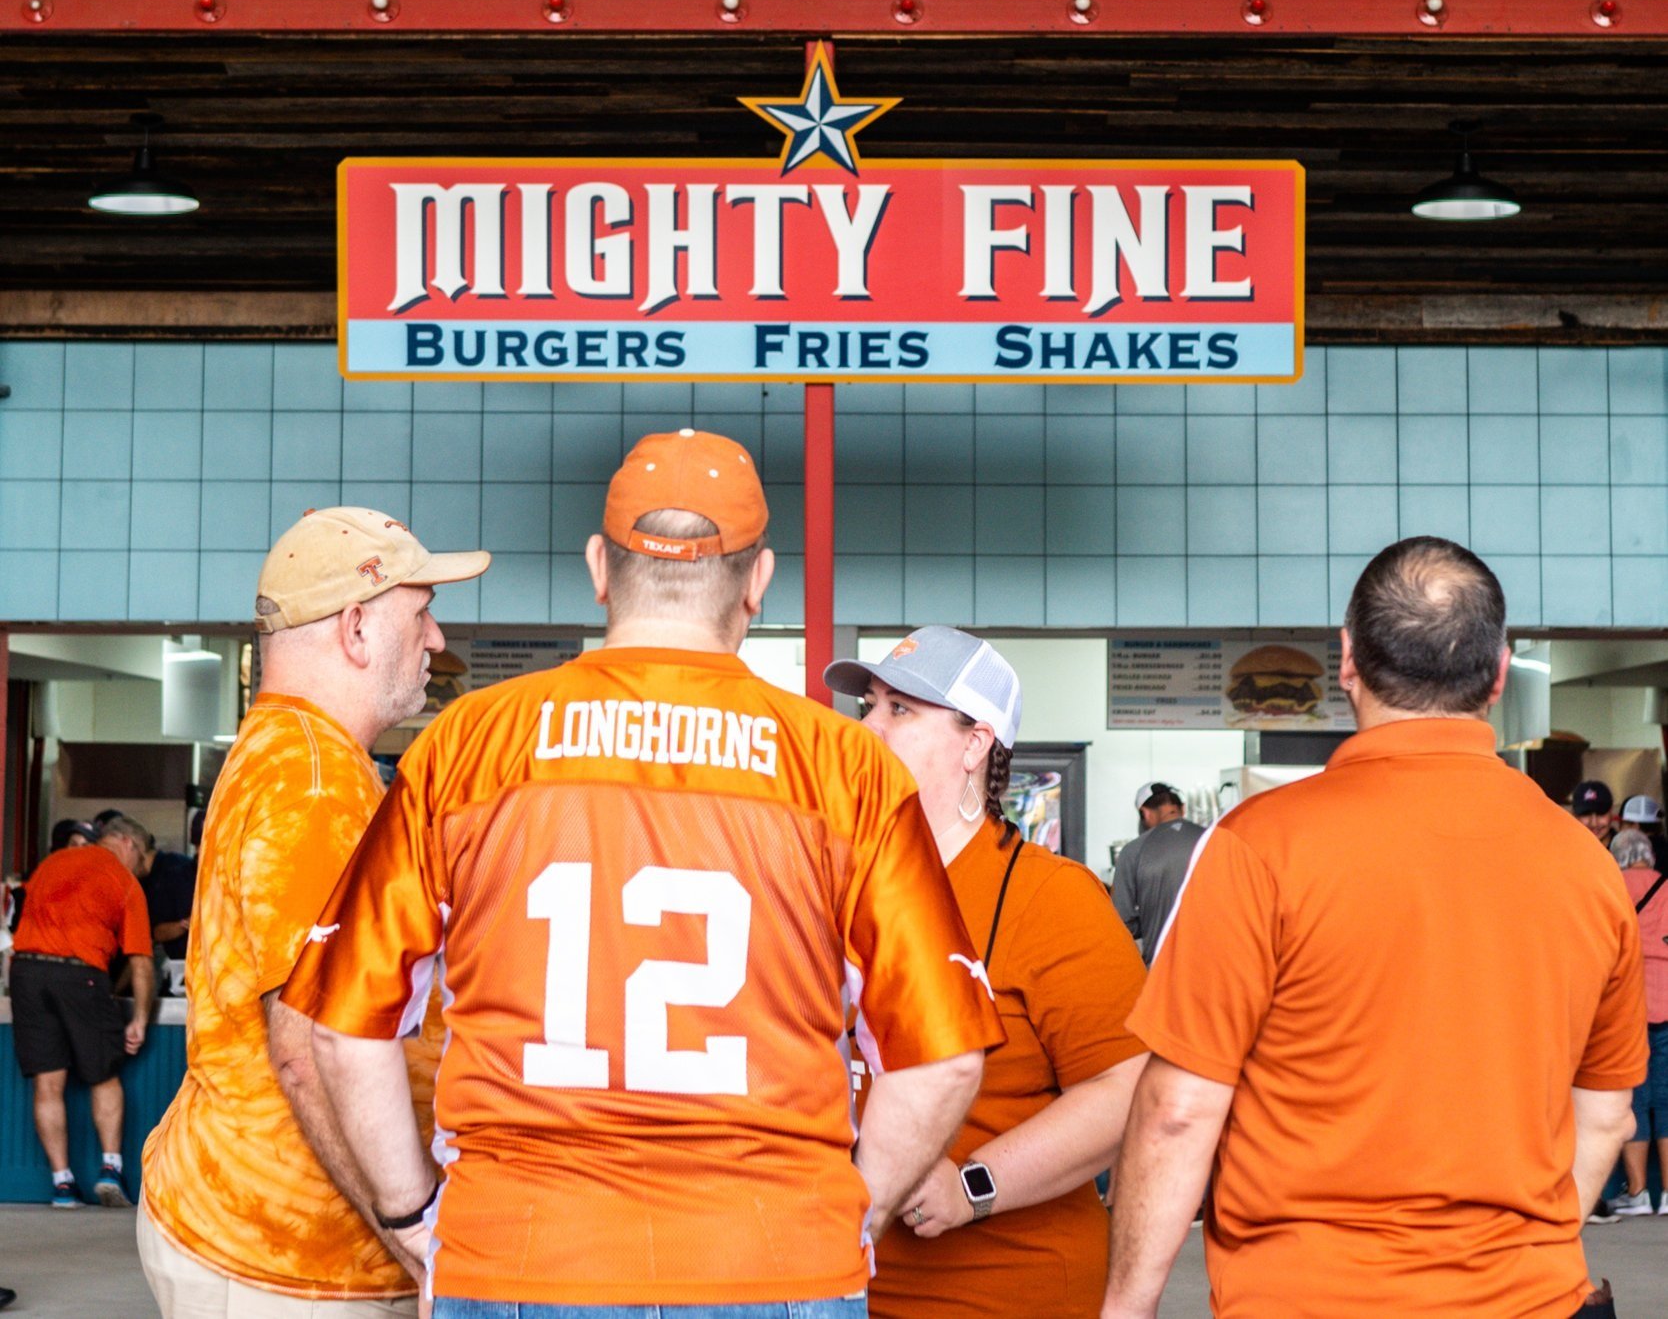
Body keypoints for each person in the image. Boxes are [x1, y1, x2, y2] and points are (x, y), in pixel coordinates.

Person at [281, 429, 1002, 1318]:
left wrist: (413, 1218)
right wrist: (849, 1220)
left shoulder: (468, 747)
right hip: (774, 1259)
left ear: (597, 566)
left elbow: (343, 1029)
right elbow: (942, 1060)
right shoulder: (847, 769)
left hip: (518, 1256)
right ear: (759, 581)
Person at [1102, 537, 1646, 1319]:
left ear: (1348, 660)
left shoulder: (1261, 847)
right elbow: (1604, 1113)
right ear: (1499, 672)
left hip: (1306, 1297)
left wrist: (1125, 1306)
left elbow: (1179, 1109)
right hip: (1530, 1299)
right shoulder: (1586, 866)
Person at [138, 506, 490, 1318]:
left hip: (253, 1227)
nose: (436, 641)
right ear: (358, 628)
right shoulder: (314, 782)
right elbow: (306, 1045)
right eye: (422, 612)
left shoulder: (290, 749)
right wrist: (413, 1230)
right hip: (289, 1260)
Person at [826, 627, 1150, 1319]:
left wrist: (976, 1185)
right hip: (839, 1286)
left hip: (1004, 1287)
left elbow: (1127, 1086)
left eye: (901, 711)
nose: (868, 730)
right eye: (869, 708)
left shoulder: (1050, 898)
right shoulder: (832, 882)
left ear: (976, 745)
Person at [9, 813, 154, 1208]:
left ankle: (62, 1184)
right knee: (103, 1074)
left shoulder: (51, 863)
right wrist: (139, 1019)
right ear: (128, 844)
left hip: (26, 972)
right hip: (80, 975)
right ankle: (110, 1169)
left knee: (47, 1082)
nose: (140, 872)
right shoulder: (123, 880)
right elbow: (141, 963)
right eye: (142, 862)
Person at [1609, 828, 1668, 1218]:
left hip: (1630, 1000)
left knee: (1636, 1098)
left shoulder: (1612, 885)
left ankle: (1638, 1192)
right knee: (1666, 1098)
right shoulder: (1666, 886)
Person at [1112, 783, 1207, 966]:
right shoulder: (1218, 840)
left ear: (1145, 813)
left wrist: (1150, 918)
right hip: (1218, 971)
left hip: (1162, 971)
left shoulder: (1133, 851)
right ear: (1182, 808)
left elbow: (1121, 922)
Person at [140, 830, 197, 982]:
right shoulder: (176, 875)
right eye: (198, 846)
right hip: (182, 971)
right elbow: (157, 933)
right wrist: (188, 923)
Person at [1619, 795, 1668, 876]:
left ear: (1635, 827)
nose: (1619, 829)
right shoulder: (1664, 850)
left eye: (1622, 824)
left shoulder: (1632, 857)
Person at [1573, 780, 1617, 846]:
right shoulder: (1564, 848)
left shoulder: (1627, 849)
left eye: (1600, 813)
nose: (1594, 823)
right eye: (1586, 814)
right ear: (1574, 815)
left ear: (1611, 813)